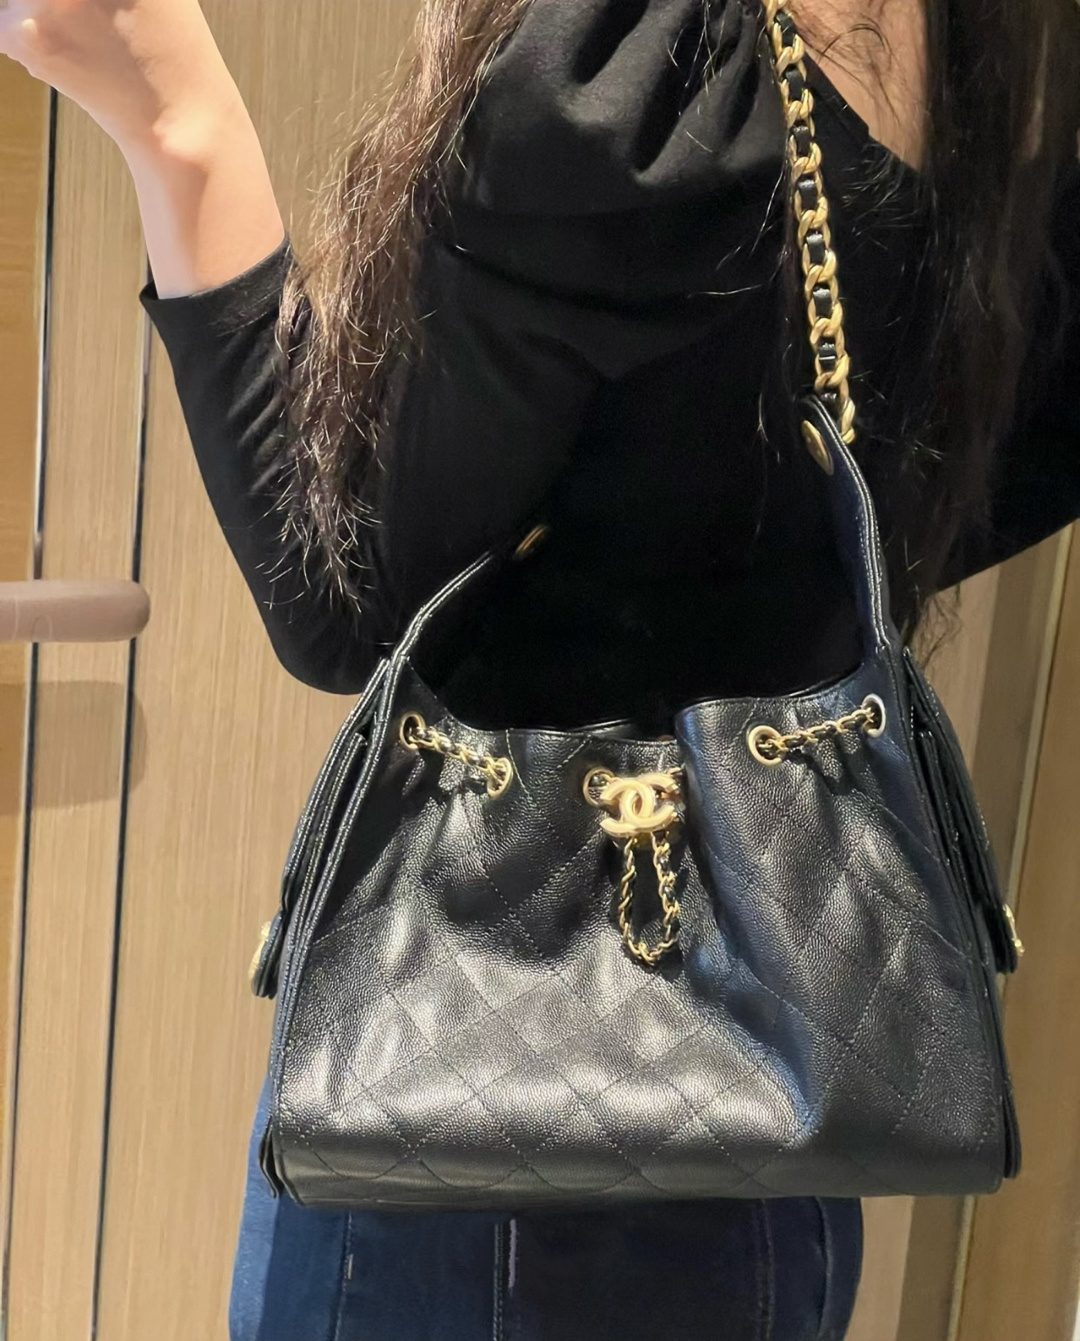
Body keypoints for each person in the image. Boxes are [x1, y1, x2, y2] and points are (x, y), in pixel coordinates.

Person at [3, 0, 1078, 1337]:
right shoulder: (990, 49)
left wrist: (179, 121)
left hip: (490, 1146)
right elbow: (988, 474)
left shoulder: (639, 68)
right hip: (789, 1124)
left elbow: (339, 601)